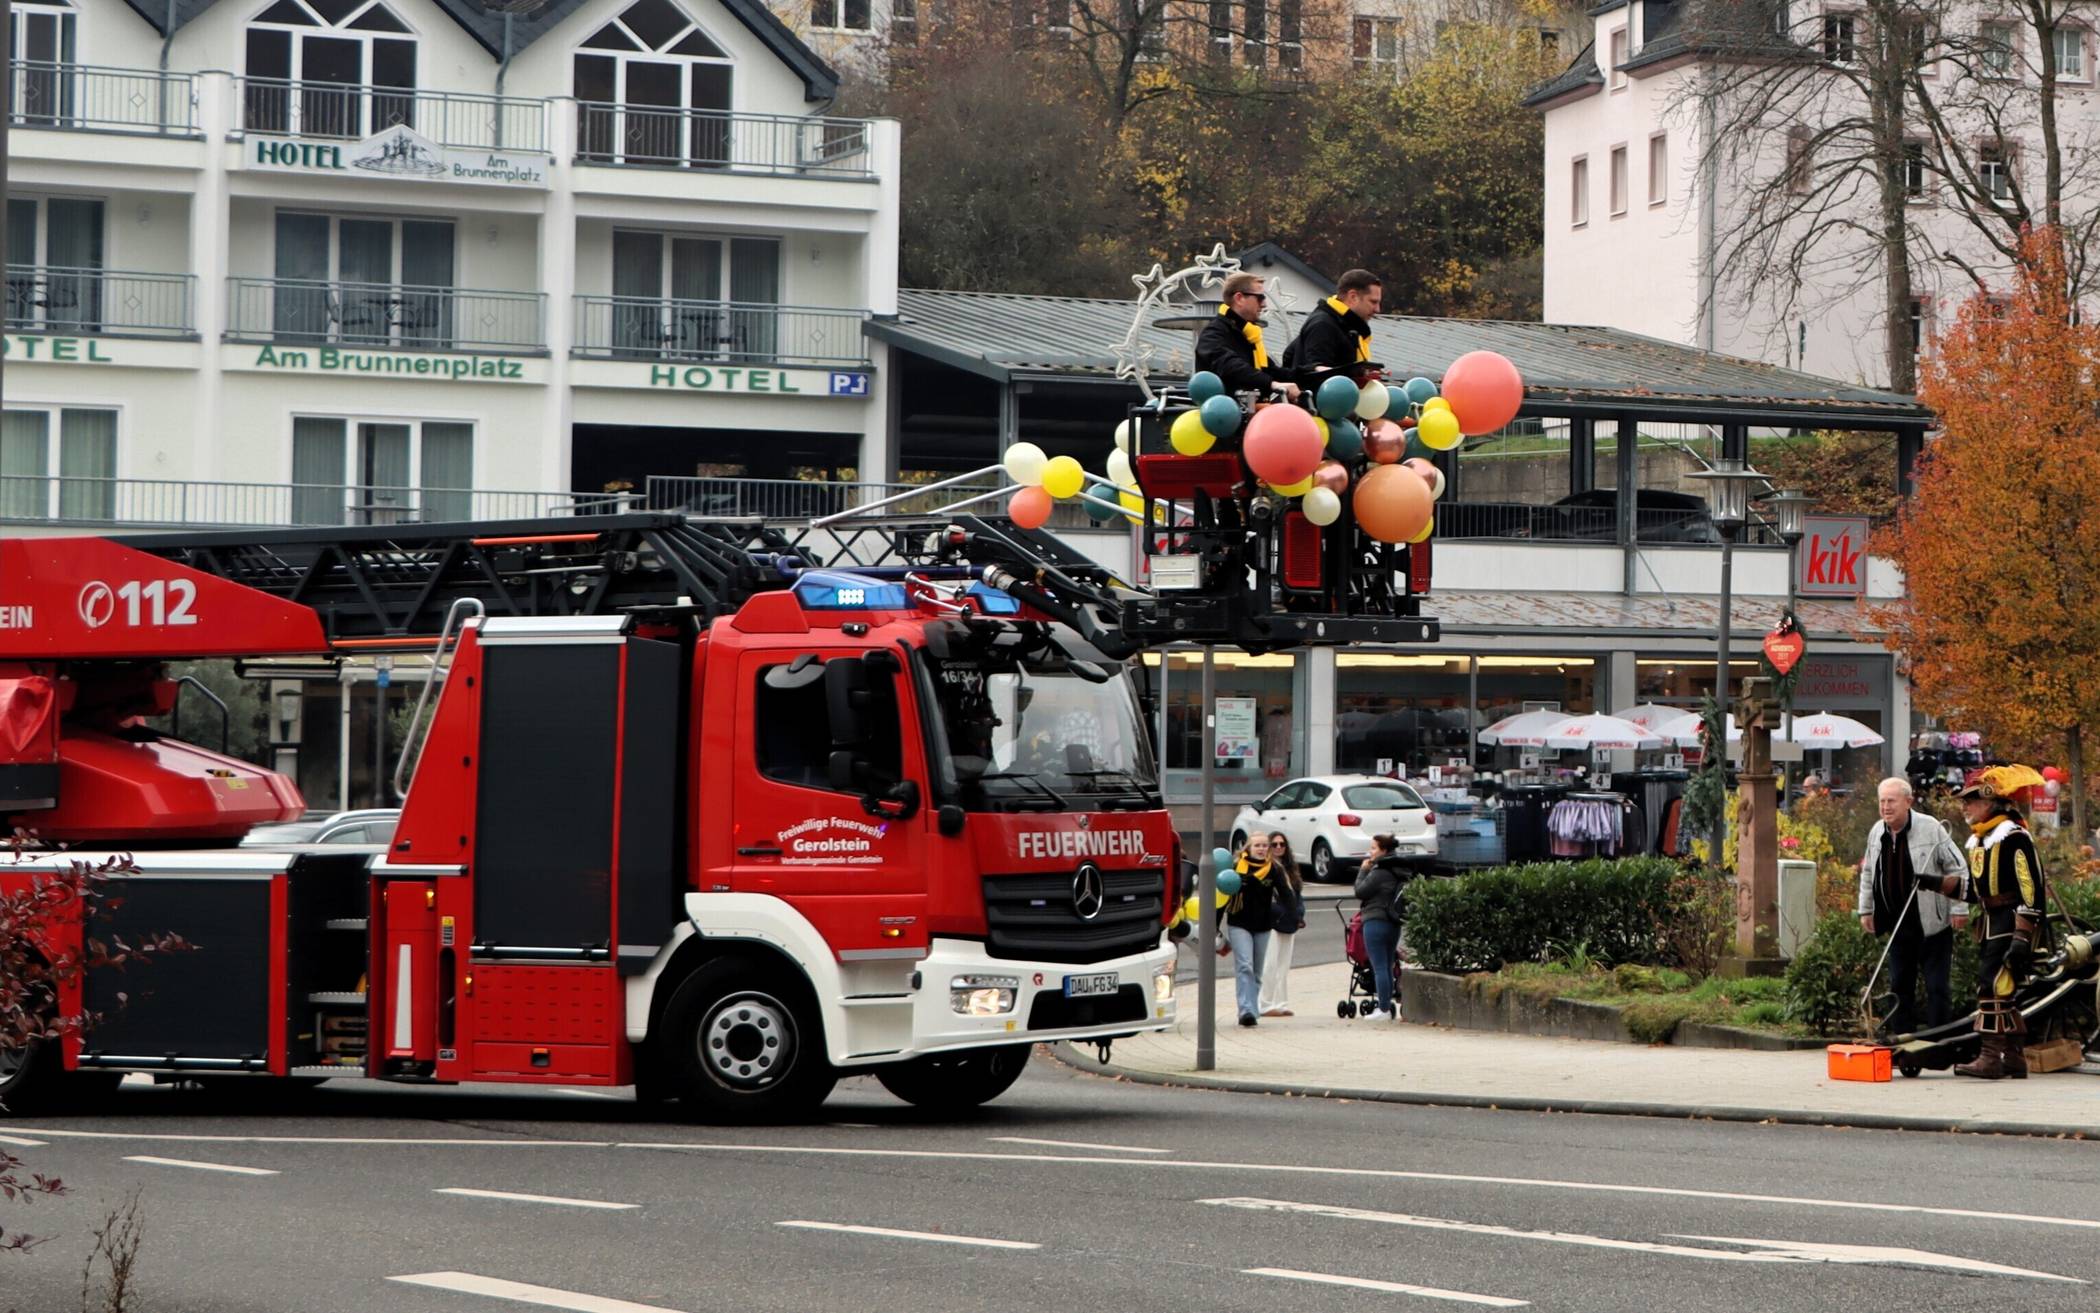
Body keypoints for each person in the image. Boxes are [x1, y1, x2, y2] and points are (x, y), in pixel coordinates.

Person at [1918, 767, 2052, 1079]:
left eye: (1971, 800)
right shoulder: (1982, 839)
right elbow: (1977, 893)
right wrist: (1935, 883)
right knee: (2003, 990)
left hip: (2011, 922)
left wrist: (2022, 935)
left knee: (1992, 987)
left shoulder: (2013, 837)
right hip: (1992, 922)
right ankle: (2014, 1058)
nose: (1965, 806)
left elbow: (2030, 888)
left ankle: (1991, 1058)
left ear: (1989, 802)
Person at [1856, 777, 1969, 1038]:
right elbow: (1869, 872)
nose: (1885, 807)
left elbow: (1957, 867)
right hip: (1897, 924)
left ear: (1908, 802)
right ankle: (1902, 1043)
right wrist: (1866, 909)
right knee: (1899, 986)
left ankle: (1939, 1044)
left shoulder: (1931, 828)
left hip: (1932, 924)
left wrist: (1959, 909)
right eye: (1882, 801)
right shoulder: (1877, 831)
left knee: (1937, 987)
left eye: (1891, 801)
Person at [1194, 273, 1301, 402]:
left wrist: (1314, 373)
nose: (1264, 304)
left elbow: (1271, 371)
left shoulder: (1248, 335)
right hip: (1222, 417)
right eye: (1260, 297)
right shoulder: (1213, 334)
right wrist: (1272, 384)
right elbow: (1231, 367)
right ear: (1239, 298)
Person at [1222, 833, 1282, 1027]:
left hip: (1263, 925)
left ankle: (1253, 1010)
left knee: (1256, 971)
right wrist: (1214, 924)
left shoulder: (1273, 869)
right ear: (1248, 847)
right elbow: (1222, 895)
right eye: (1257, 845)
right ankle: (1245, 1010)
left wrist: (1287, 915)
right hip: (1239, 923)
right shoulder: (1236, 867)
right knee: (1244, 966)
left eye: (1265, 845)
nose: (1262, 848)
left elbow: (1288, 894)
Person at [1282, 268, 1381, 380]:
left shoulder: (1346, 326)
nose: (1377, 309)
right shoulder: (1323, 326)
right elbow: (1319, 379)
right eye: (1373, 302)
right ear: (1353, 296)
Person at [1352, 834, 1407, 1021]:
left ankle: (1383, 1009)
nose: (1370, 852)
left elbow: (1360, 891)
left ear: (1384, 851)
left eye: (1374, 848)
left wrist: (1362, 871)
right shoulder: (1398, 871)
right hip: (1393, 922)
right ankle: (1385, 1006)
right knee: (1388, 966)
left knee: (1380, 967)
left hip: (1375, 921)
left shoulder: (1379, 872)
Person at [1258, 831, 1306, 1017]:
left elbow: (1297, 895)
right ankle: (1265, 1003)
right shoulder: (1267, 868)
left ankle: (1281, 1002)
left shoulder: (1290, 869)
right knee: (1270, 963)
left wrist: (1299, 913)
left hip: (1290, 920)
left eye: (1282, 844)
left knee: (1283, 964)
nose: (1278, 847)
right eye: (1274, 844)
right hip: (1272, 921)